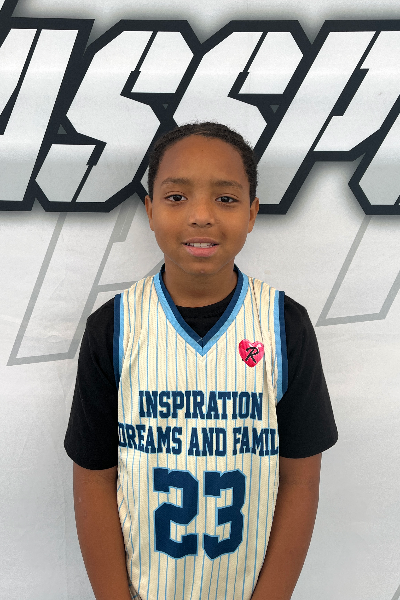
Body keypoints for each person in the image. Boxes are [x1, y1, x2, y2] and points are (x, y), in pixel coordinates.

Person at [65, 122, 338, 600]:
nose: (201, 216)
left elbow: (300, 481)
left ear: (252, 213)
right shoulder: (115, 327)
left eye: (226, 199)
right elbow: (93, 479)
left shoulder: (283, 325)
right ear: (150, 211)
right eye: (176, 197)